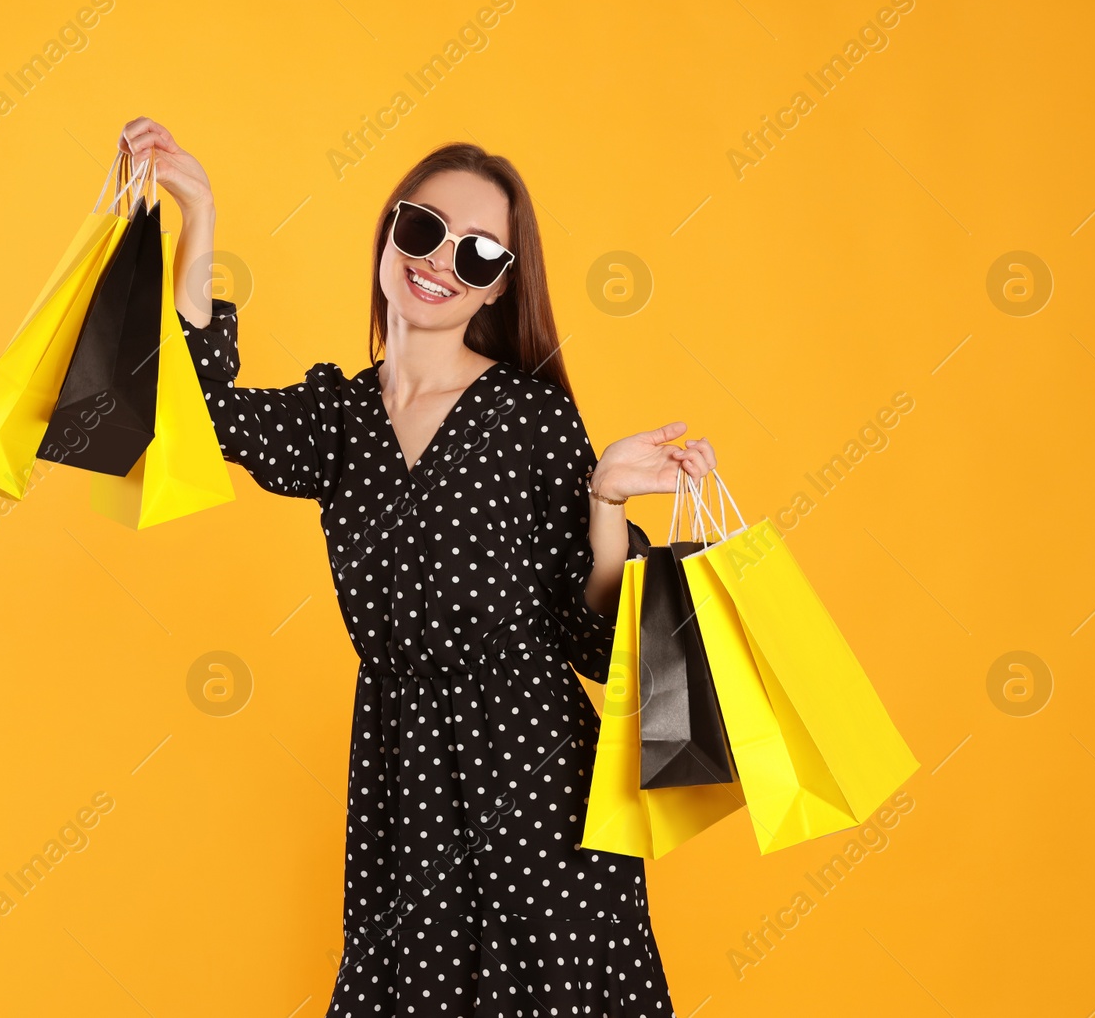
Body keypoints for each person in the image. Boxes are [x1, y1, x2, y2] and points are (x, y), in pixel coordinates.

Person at [120, 116, 715, 1015]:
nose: (441, 261)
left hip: (535, 773)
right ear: (390, 232)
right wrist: (196, 213)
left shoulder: (529, 416)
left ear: (496, 290)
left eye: (478, 254)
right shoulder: (340, 417)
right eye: (424, 229)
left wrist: (605, 504)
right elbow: (195, 414)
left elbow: (596, 638)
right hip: (404, 772)